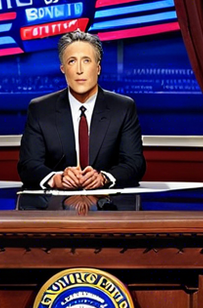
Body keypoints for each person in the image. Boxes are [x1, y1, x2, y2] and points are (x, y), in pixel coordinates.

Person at [18, 31, 145, 190]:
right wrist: (56, 179)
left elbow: (134, 163)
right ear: (63, 69)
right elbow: (28, 165)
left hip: (108, 203)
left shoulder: (122, 108)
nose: (79, 70)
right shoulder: (40, 109)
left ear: (98, 68)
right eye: (72, 61)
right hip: (55, 203)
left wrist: (103, 178)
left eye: (86, 61)